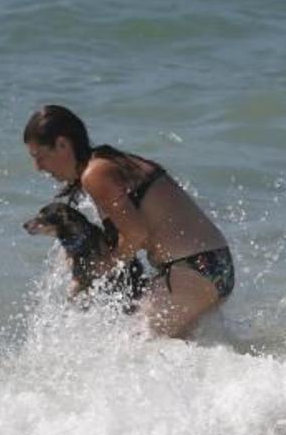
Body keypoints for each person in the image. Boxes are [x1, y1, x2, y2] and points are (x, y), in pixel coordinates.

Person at [23, 104, 233, 338]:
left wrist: (105, 266)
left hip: (193, 268)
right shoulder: (109, 162)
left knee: (135, 349)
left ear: (62, 144)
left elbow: (135, 234)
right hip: (212, 266)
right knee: (176, 354)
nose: (37, 167)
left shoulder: (96, 173)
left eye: (39, 156)